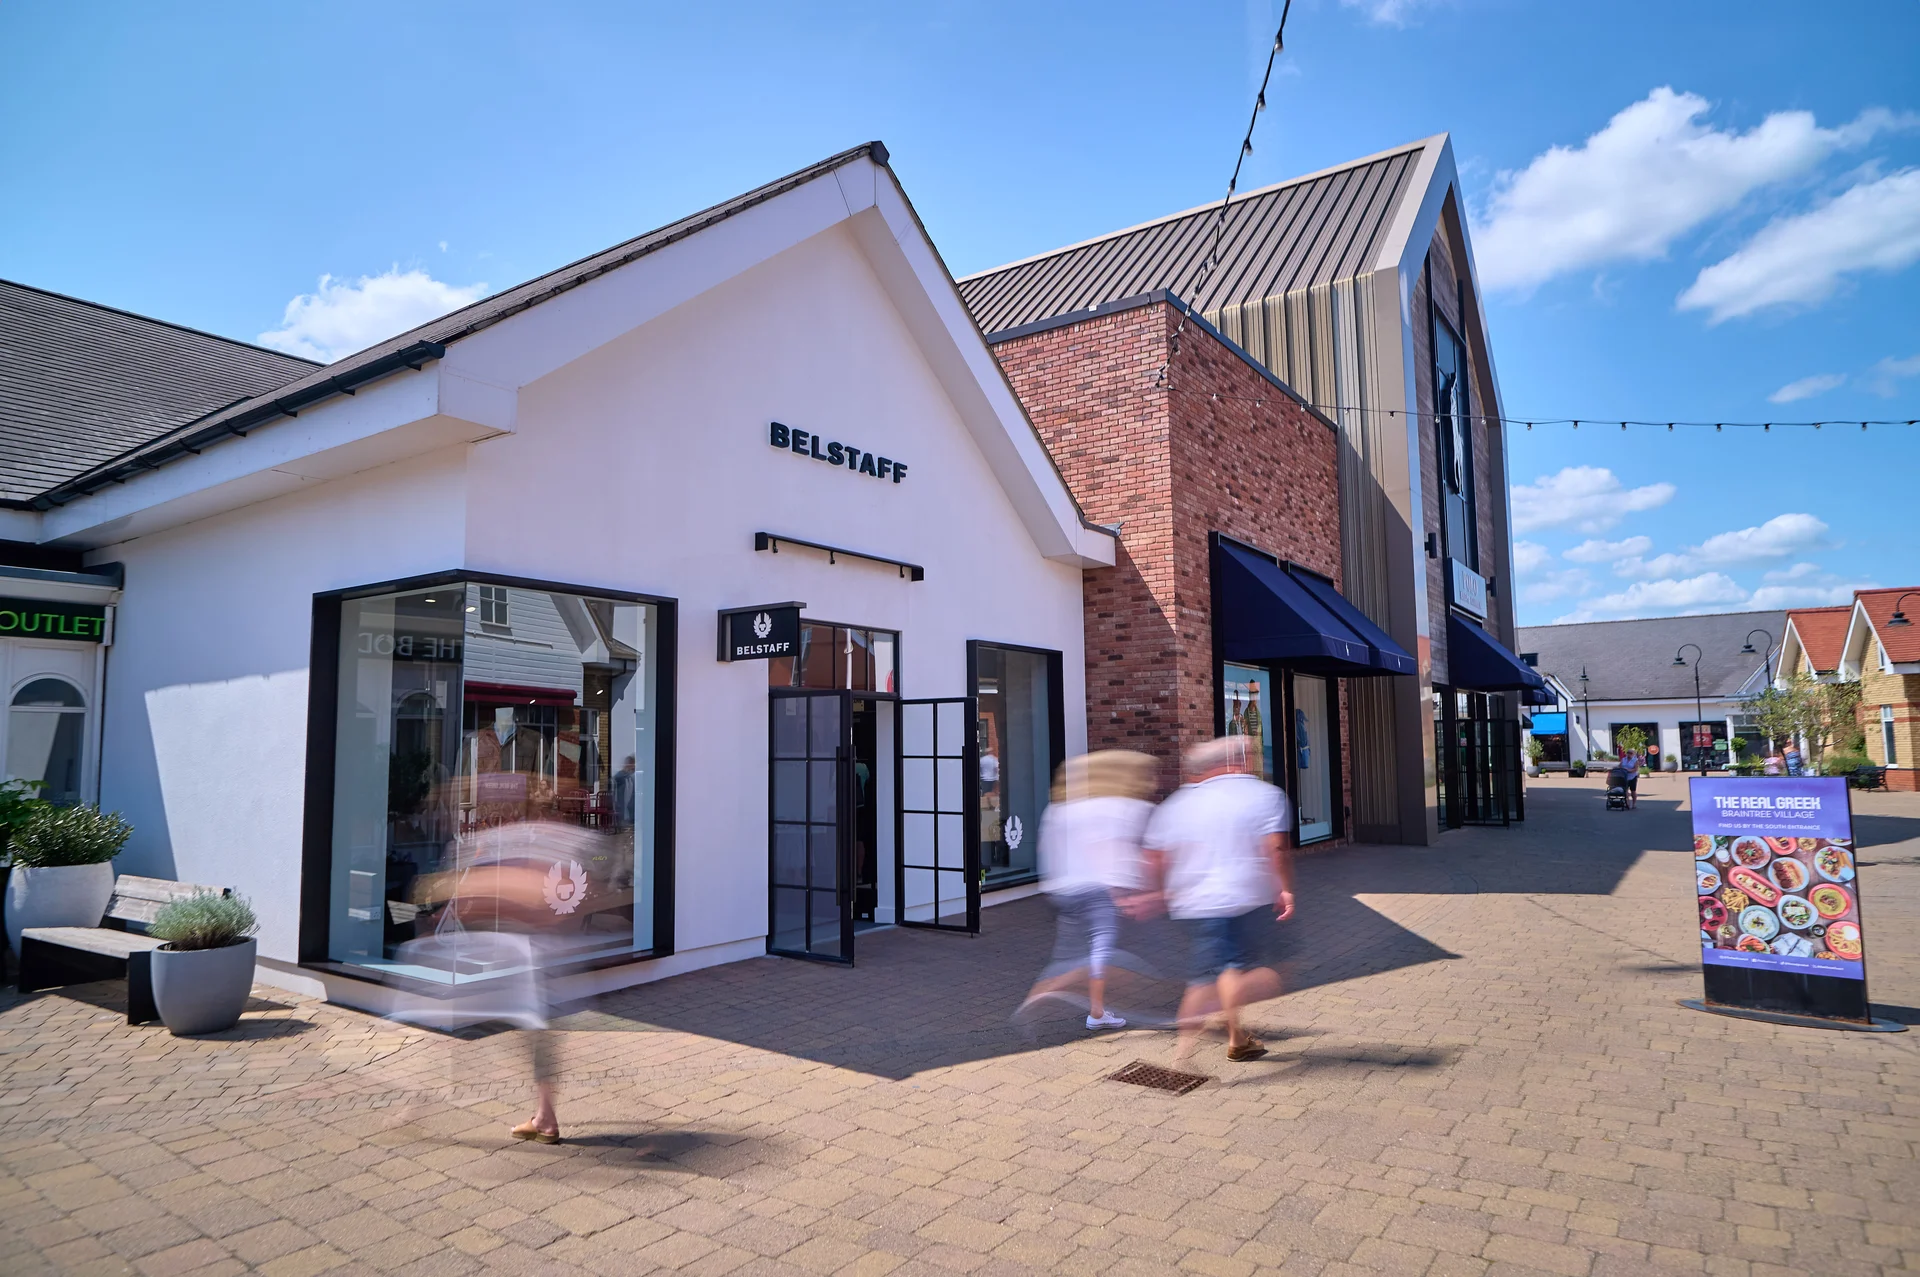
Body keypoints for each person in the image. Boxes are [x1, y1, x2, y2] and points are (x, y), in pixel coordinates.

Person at [1144, 735, 1295, 1064]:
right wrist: (1283, 888)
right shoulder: (1264, 794)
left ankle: (1235, 1039)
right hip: (1244, 900)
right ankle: (1187, 1050)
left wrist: (1158, 893)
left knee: (1221, 968)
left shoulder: (1177, 802)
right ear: (1237, 761)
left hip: (1194, 905)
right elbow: (1276, 848)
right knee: (1250, 976)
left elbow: (1155, 856)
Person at [1022, 751, 1157, 1030]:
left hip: (1065, 890)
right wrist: (1125, 888)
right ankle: (1060, 994)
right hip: (1099, 890)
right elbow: (1114, 848)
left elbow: (1045, 847)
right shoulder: (1118, 805)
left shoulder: (1059, 809)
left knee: (1076, 951)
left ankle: (1089, 1007)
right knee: (1100, 951)